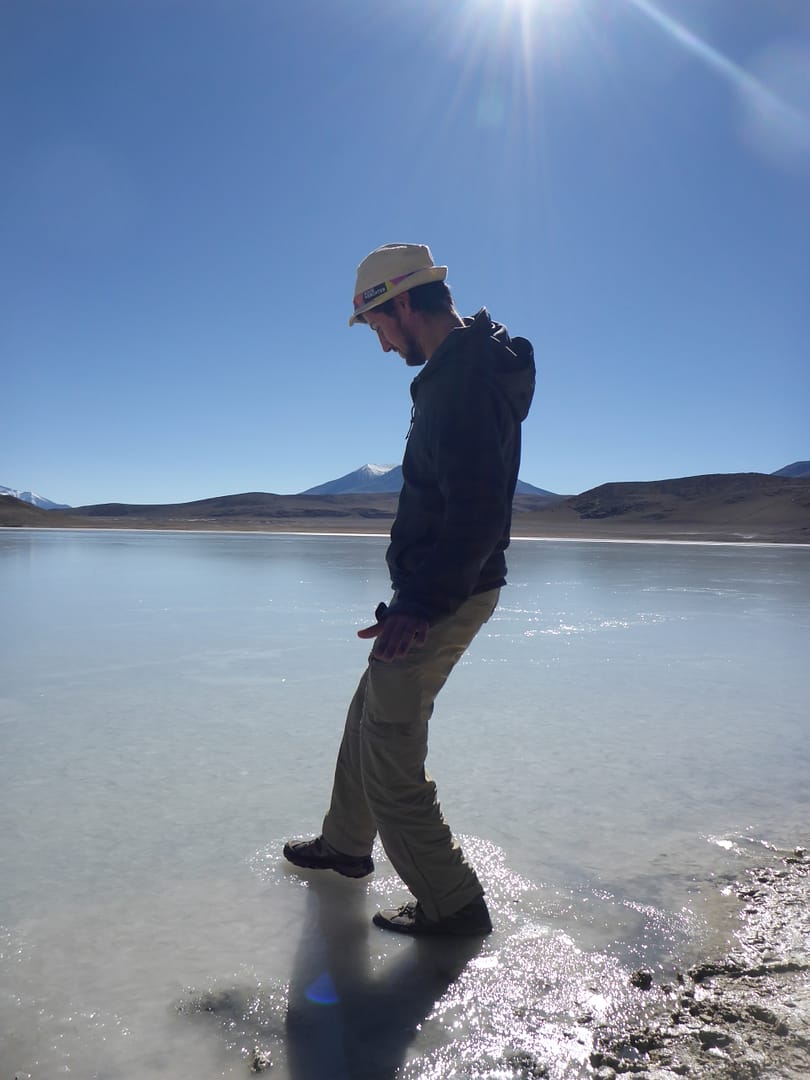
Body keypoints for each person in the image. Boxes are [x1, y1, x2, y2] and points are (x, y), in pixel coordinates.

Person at [284, 243, 535, 936]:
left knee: (390, 747)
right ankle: (344, 846)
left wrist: (421, 606)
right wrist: (413, 600)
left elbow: (478, 509)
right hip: (438, 588)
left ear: (401, 304)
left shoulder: (461, 379)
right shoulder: (466, 368)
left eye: (377, 326)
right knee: (368, 710)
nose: (382, 343)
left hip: (448, 593)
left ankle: (452, 904)